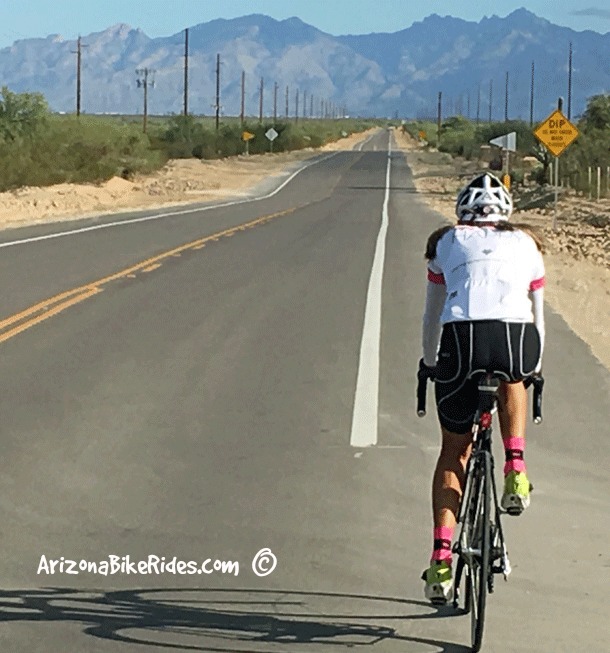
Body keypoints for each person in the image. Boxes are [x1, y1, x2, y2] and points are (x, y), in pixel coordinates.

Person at [419, 172, 545, 604]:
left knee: (453, 450)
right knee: (516, 377)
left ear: (462, 212)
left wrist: (430, 364)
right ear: (506, 213)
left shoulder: (446, 241)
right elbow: (536, 317)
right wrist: (534, 368)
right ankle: (515, 467)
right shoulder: (528, 243)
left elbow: (432, 316)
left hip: (460, 343)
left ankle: (440, 560)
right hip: (516, 341)